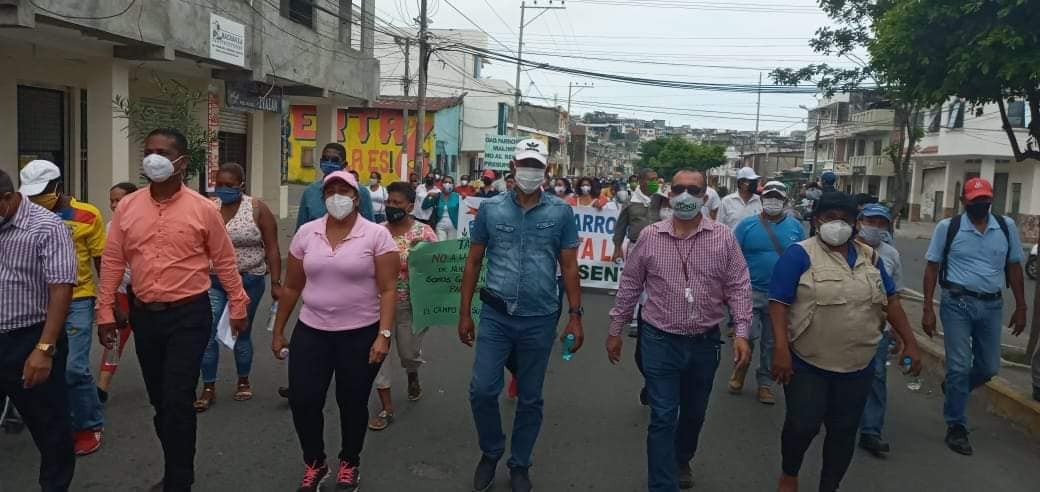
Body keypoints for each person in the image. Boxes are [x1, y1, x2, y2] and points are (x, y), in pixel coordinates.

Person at [96, 128, 250, 492]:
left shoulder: (202, 209)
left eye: (163, 152)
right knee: (161, 401)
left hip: (188, 315)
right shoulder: (128, 207)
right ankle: (175, 467)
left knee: (178, 398)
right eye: (149, 151)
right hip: (145, 315)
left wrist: (238, 303)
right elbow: (113, 260)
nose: (154, 158)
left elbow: (224, 260)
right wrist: (105, 311)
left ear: (181, 162)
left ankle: (179, 481)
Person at [607, 168, 753, 491]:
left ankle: (682, 457)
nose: (686, 195)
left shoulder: (723, 237)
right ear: (669, 194)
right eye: (679, 189)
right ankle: (662, 484)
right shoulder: (650, 236)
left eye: (694, 190)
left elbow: (739, 286)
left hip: (705, 342)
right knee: (662, 415)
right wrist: (616, 328)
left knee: (694, 413)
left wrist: (742, 332)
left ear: (705, 196)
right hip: (659, 339)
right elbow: (630, 284)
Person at [768, 191, 922, 492]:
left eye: (845, 218)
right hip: (809, 362)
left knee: (843, 431)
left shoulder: (870, 257)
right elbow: (778, 303)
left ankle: (830, 486)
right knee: (802, 425)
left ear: (855, 223)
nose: (837, 224)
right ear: (817, 220)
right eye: (830, 217)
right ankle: (789, 474)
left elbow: (891, 301)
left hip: (857, 365)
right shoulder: (800, 255)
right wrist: (781, 349)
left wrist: (910, 342)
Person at [458, 138, 583, 492]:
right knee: (482, 390)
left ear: (546, 170)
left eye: (536, 165)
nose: (530, 171)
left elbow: (569, 266)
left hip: (540, 317)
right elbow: (474, 261)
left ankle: (520, 463)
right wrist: (465, 313)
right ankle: (491, 451)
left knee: (530, 396)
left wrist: (575, 315)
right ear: (513, 166)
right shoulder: (491, 209)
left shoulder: (560, 213)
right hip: (496, 315)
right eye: (525, 164)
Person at [270, 170, 398, 492]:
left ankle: (349, 462)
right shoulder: (306, 233)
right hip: (312, 331)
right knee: (303, 399)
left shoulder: (376, 236)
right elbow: (292, 286)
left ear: (356, 197)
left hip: (360, 333)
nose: (337, 196)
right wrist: (278, 329)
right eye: (331, 191)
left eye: (344, 190)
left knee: (352, 401)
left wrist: (383, 336)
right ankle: (315, 463)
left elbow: (388, 289)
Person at [922, 177, 1026, 456]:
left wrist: (1021, 306)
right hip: (957, 303)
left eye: (985, 200)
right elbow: (932, 267)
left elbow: (1014, 267)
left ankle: (956, 387)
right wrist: (927, 308)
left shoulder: (1006, 226)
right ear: (963, 202)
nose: (981, 205)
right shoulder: (949, 227)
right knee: (958, 366)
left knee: (989, 368)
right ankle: (956, 426)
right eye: (975, 201)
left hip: (992, 307)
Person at [19, 159, 107, 455]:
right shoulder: (23, 213)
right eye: (31, 194)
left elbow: (101, 260)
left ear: (58, 187)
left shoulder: (87, 215)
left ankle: (89, 424)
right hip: (35, 301)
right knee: (40, 365)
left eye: (41, 193)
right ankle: (57, 420)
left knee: (74, 368)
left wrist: (107, 304)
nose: (36, 199)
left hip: (78, 299)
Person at [0, 168, 77, 491]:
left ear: (7, 199)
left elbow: (61, 288)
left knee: (50, 429)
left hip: (30, 339)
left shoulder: (47, 226)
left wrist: (44, 348)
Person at [194, 163, 282, 412]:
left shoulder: (257, 209)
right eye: (219, 184)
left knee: (241, 329)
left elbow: (272, 247)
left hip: (248, 279)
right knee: (208, 331)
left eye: (229, 185)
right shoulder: (208, 208)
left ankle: (243, 380)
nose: (223, 189)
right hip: (213, 280)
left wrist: (276, 282)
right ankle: (208, 386)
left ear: (241, 185)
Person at [368, 182, 438, 431]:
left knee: (408, 353)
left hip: (411, 305)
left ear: (410, 206)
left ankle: (412, 372)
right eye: (389, 202)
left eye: (397, 203)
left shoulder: (424, 233)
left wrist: (422, 256)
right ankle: (386, 407)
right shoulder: (376, 232)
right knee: (379, 356)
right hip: (377, 306)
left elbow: (437, 268)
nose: (391, 206)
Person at [730, 181, 804, 405]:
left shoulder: (795, 227)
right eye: (769, 197)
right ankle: (740, 369)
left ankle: (765, 383)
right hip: (750, 291)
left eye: (777, 198)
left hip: (781, 296)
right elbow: (732, 255)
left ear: (785, 201)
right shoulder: (747, 225)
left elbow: (804, 257)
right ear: (761, 200)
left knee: (772, 342)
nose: (773, 201)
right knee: (748, 336)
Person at [854, 204, 904, 458]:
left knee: (876, 376)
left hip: (878, 327)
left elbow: (896, 296)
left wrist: (898, 330)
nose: (875, 227)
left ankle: (871, 430)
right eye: (870, 221)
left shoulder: (891, 255)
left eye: (880, 223)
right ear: (860, 222)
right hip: (845, 324)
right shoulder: (846, 247)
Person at [96, 182, 139, 402]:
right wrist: (110, 300)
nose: (113, 205)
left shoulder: (146, 222)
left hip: (147, 294)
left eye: (118, 200)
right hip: (121, 291)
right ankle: (101, 388)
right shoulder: (110, 226)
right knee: (114, 340)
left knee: (154, 341)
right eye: (111, 201)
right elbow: (108, 264)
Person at [612, 168, 661, 337]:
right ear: (641, 181)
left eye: (656, 179)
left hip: (659, 248)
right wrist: (617, 248)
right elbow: (620, 227)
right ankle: (633, 319)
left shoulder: (661, 200)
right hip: (636, 247)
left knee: (654, 283)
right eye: (651, 179)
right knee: (634, 283)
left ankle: (649, 318)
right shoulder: (630, 201)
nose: (655, 182)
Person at [296, 143, 373, 229]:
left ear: (344, 164)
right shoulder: (310, 192)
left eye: (334, 160)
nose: (329, 163)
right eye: (325, 159)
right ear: (320, 161)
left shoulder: (360, 191)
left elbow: (370, 228)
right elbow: (301, 229)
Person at [423, 175, 461, 241]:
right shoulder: (437, 196)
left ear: (453, 185)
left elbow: (465, 208)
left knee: (451, 246)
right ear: (442, 184)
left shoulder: (457, 196)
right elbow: (424, 206)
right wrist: (428, 196)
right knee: (441, 245)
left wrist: (464, 197)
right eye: (445, 182)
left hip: (454, 226)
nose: (447, 184)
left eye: (449, 182)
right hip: (440, 226)